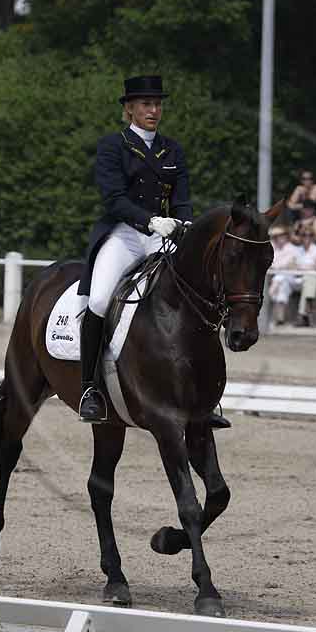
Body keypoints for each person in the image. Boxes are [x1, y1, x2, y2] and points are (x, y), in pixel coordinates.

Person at [81, 75, 223, 425]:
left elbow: (183, 199)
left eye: (157, 104)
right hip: (126, 236)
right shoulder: (113, 146)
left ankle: (206, 397)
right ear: (129, 109)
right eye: (146, 104)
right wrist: (150, 221)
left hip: (167, 236)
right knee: (99, 301)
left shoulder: (172, 149)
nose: (154, 110)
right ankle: (91, 389)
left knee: (200, 297)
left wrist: (185, 225)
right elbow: (114, 199)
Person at [266, 227, 303, 326]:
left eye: (281, 235)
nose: (278, 238)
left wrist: (279, 267)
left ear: (286, 236)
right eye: (276, 236)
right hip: (277, 279)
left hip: (294, 278)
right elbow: (272, 264)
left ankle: (268, 300)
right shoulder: (274, 248)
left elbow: (283, 265)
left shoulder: (293, 249)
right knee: (281, 283)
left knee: (281, 278)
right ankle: (279, 317)